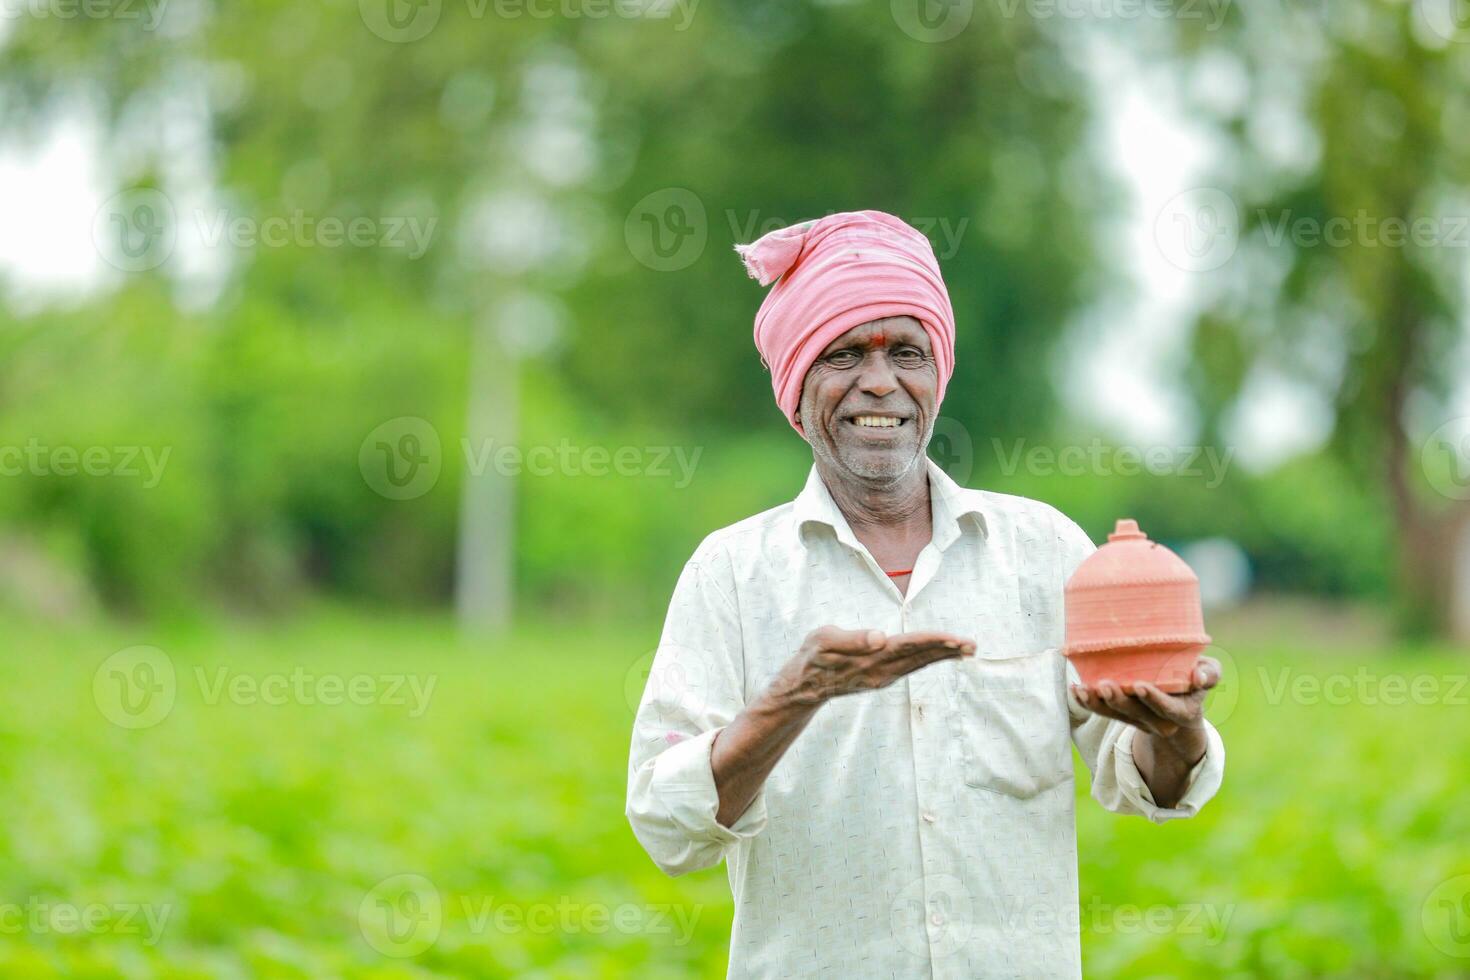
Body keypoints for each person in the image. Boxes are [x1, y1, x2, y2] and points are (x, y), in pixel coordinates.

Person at [625, 210, 1225, 978]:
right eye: (843, 353)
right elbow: (667, 828)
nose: (881, 381)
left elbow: (1143, 779)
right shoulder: (733, 575)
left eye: (905, 351)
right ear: (795, 383)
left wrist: (1177, 730)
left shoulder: (1042, 553)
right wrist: (791, 703)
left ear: (937, 373)